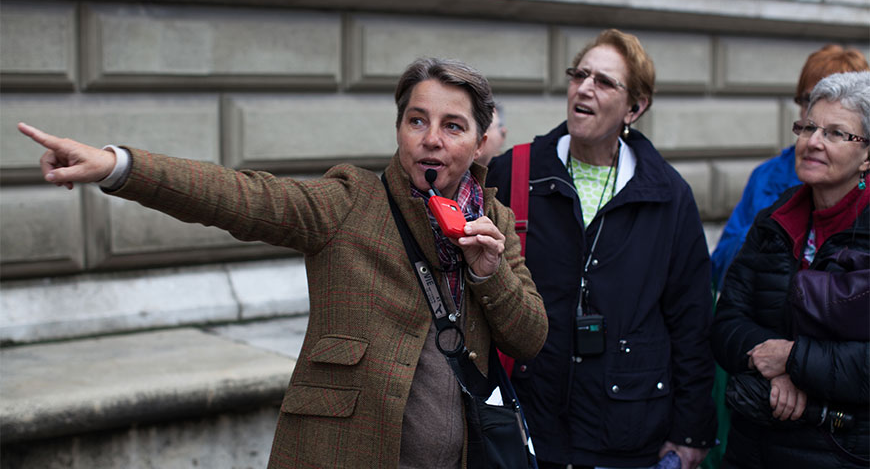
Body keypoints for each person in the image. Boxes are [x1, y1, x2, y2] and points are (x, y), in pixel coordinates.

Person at [18, 57, 548, 469]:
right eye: (417, 120)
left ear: (480, 142)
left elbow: (530, 336)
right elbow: (241, 196)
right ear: (399, 129)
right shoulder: (349, 202)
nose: (431, 138)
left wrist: (488, 272)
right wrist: (119, 167)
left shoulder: (495, 221)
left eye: (452, 126)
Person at [486, 28, 716, 469]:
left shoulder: (667, 194)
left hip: (626, 431)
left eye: (605, 81)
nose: (585, 88)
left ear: (636, 107)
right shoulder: (516, 170)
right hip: (527, 425)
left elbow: (691, 321)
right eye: (579, 74)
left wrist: (690, 432)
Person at [711, 71, 870, 468]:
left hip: (842, 451)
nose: (813, 142)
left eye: (836, 133)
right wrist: (774, 364)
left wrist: (795, 360)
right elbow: (726, 322)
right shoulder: (775, 220)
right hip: (753, 448)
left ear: (867, 155)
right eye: (809, 127)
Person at [711, 45, 869, 291]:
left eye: (837, 128)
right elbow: (721, 271)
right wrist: (766, 238)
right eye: (809, 99)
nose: (816, 109)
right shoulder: (766, 176)